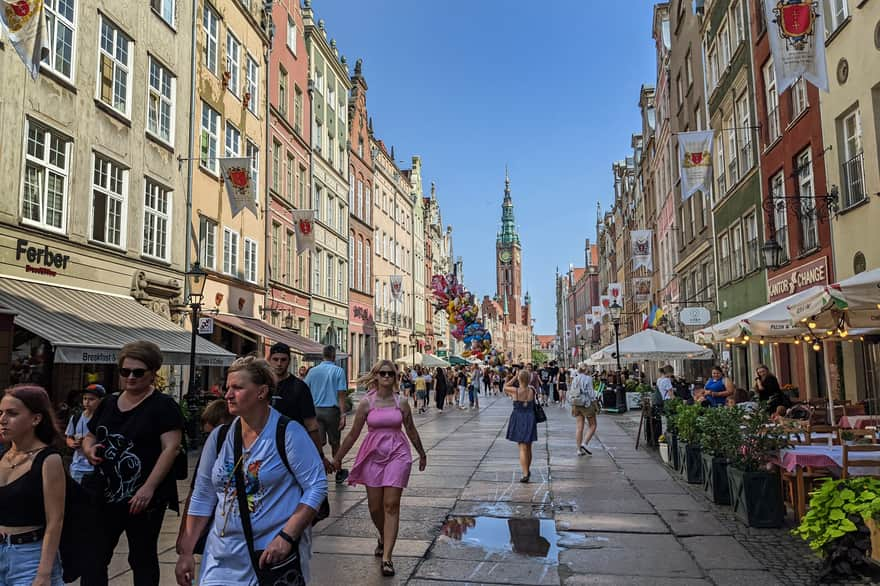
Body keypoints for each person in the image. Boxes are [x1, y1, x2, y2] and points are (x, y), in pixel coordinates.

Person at [175, 357, 327, 586]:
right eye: (228, 387)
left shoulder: (288, 433)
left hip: (269, 557)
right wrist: (186, 551)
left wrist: (287, 536)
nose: (227, 394)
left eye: (237, 387)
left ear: (261, 392)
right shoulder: (220, 437)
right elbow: (202, 494)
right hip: (220, 557)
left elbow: (316, 485)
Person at [82, 341, 184, 586]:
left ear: (152, 373)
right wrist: (89, 449)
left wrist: (148, 487)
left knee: (142, 557)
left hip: (143, 497)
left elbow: (171, 448)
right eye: (125, 371)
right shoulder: (108, 403)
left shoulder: (163, 406)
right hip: (104, 493)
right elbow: (90, 434)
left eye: (138, 372)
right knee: (94, 556)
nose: (130, 377)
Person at [333, 360, 427, 577]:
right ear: (376, 376)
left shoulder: (401, 402)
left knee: (391, 504)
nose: (386, 377)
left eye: (390, 374)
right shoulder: (367, 403)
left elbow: (411, 430)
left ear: (395, 378)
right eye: (383, 373)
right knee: (375, 508)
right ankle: (382, 535)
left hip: (398, 454)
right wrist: (337, 458)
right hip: (373, 455)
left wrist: (421, 453)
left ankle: (387, 557)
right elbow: (353, 434)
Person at [0, 385, 66, 586]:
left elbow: (55, 521)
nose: (3, 419)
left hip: (30, 556)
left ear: (36, 419)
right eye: (1, 412)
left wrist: (43, 573)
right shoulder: (3, 456)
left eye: (12, 414)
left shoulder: (48, 460)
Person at [267, 342, 331, 472]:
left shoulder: (299, 387)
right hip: (266, 446)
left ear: (289, 361)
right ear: (269, 360)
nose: (279, 363)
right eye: (275, 359)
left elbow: (311, 425)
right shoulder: (262, 385)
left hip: (293, 447)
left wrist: (319, 455)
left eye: (283, 360)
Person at [304, 346, 350, 484]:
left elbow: (305, 390)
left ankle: (317, 470)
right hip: (332, 411)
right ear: (334, 356)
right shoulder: (338, 371)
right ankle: (338, 471)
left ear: (322, 356)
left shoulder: (312, 371)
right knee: (335, 443)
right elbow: (341, 394)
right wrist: (343, 415)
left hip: (315, 411)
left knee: (318, 441)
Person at [65, 383, 106, 484]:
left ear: (101, 400)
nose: (87, 402)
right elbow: (69, 436)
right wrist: (72, 443)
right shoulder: (76, 417)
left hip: (97, 466)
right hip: (77, 465)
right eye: (85, 398)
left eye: (92, 399)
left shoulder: (104, 419)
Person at [504, 370, 538, 483]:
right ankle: (527, 470)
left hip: (519, 417)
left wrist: (514, 377)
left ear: (519, 378)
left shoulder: (515, 391)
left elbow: (505, 386)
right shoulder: (532, 390)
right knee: (528, 446)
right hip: (530, 417)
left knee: (522, 447)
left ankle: (525, 474)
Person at [571, 367, 599, 455]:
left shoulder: (575, 378)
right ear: (586, 370)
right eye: (589, 370)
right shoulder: (588, 378)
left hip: (577, 403)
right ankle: (585, 443)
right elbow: (591, 393)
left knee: (579, 427)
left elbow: (572, 392)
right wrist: (595, 404)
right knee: (593, 425)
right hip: (586, 404)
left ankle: (579, 450)